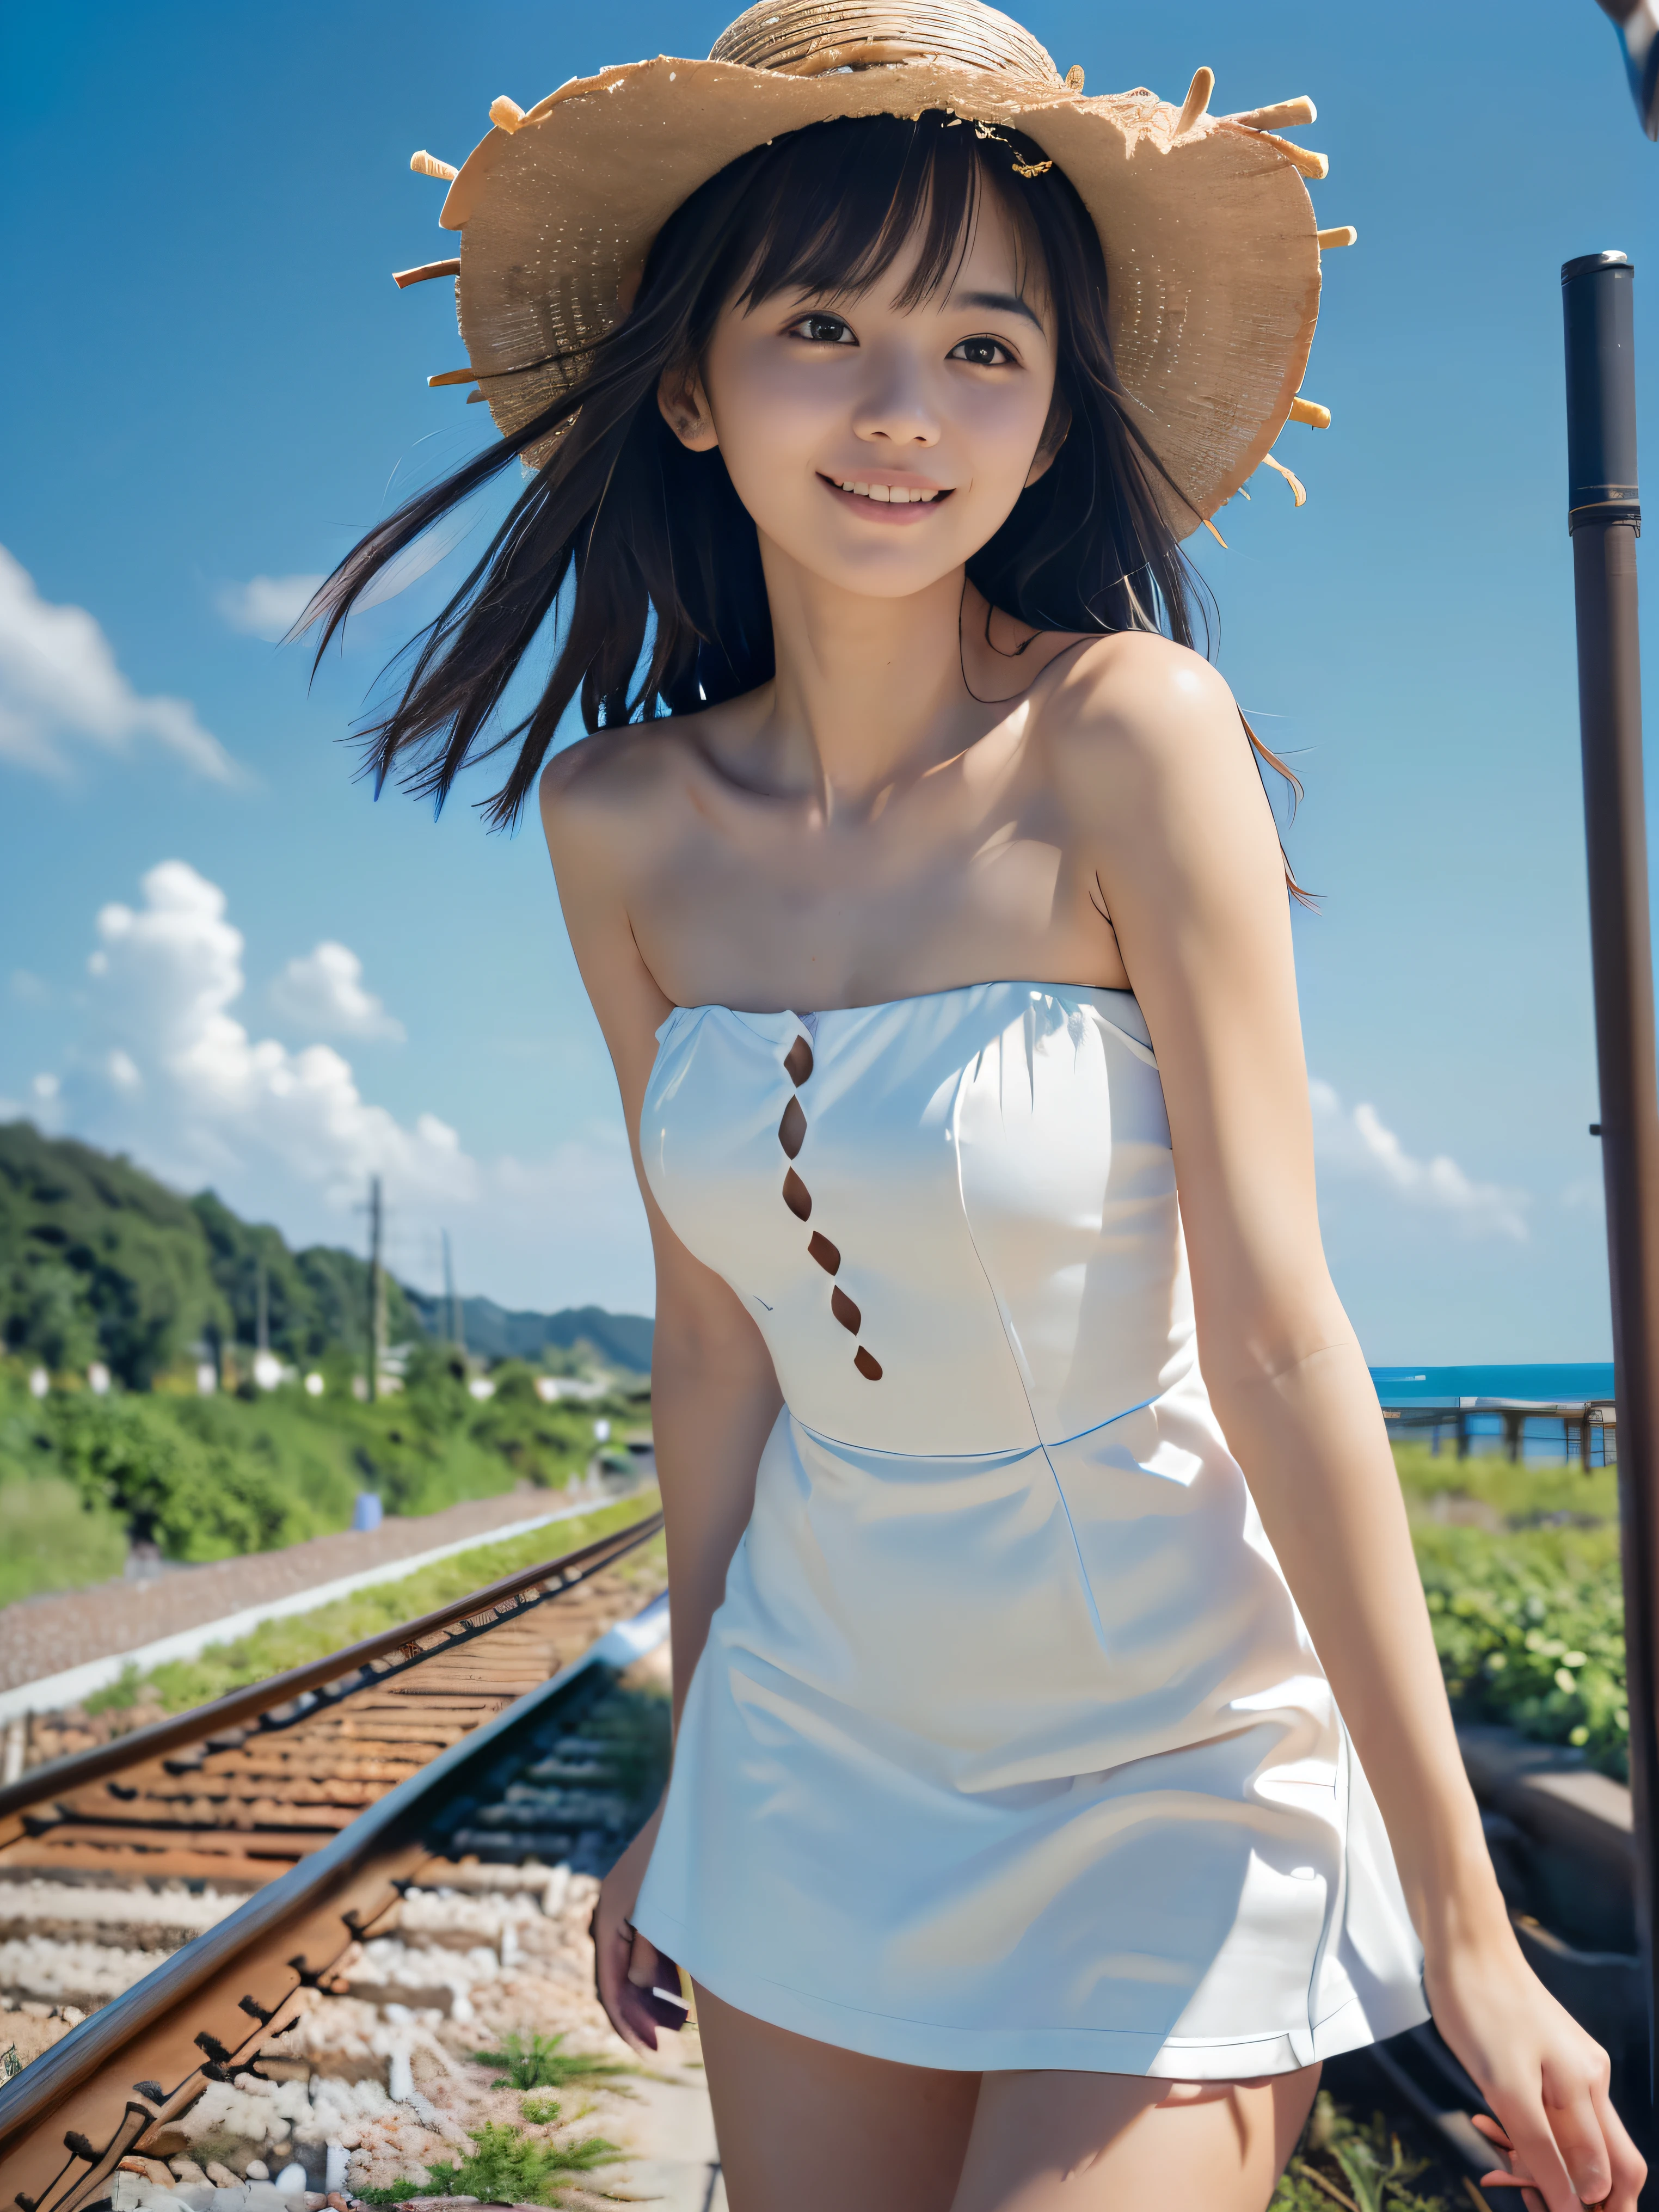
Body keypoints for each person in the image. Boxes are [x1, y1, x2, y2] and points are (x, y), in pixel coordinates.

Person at [311, 4, 1646, 2205]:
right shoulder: (616, 821)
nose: (904, 411)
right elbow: (716, 1342)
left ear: (1049, 419)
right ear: (690, 378)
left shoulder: (1133, 734)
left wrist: (1472, 1925)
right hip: (813, 1756)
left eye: (985, 347)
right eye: (824, 323)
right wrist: (690, 1766)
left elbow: (1285, 1332)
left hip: (1174, 1757)